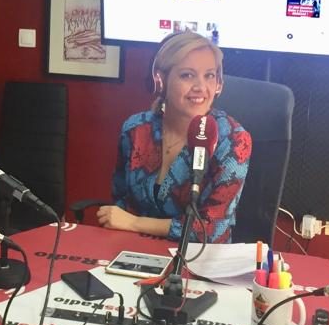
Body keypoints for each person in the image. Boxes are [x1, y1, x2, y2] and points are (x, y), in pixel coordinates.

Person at [96, 32, 251, 243]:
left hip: (199, 257)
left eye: (209, 76)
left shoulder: (232, 140)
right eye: (187, 75)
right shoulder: (135, 129)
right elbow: (121, 203)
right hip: (134, 249)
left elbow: (209, 229)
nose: (200, 87)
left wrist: (135, 223)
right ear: (160, 79)